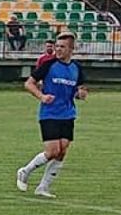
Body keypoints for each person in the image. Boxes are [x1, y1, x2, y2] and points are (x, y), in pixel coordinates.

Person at [15, 31, 88, 198]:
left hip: (68, 114)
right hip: (49, 113)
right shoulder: (49, 65)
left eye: (62, 47)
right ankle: (25, 171)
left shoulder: (76, 68)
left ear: (71, 49)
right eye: (57, 46)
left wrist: (81, 94)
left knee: (62, 151)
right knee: (52, 151)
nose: (58, 50)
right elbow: (29, 83)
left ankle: (43, 187)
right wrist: (41, 96)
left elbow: (80, 88)